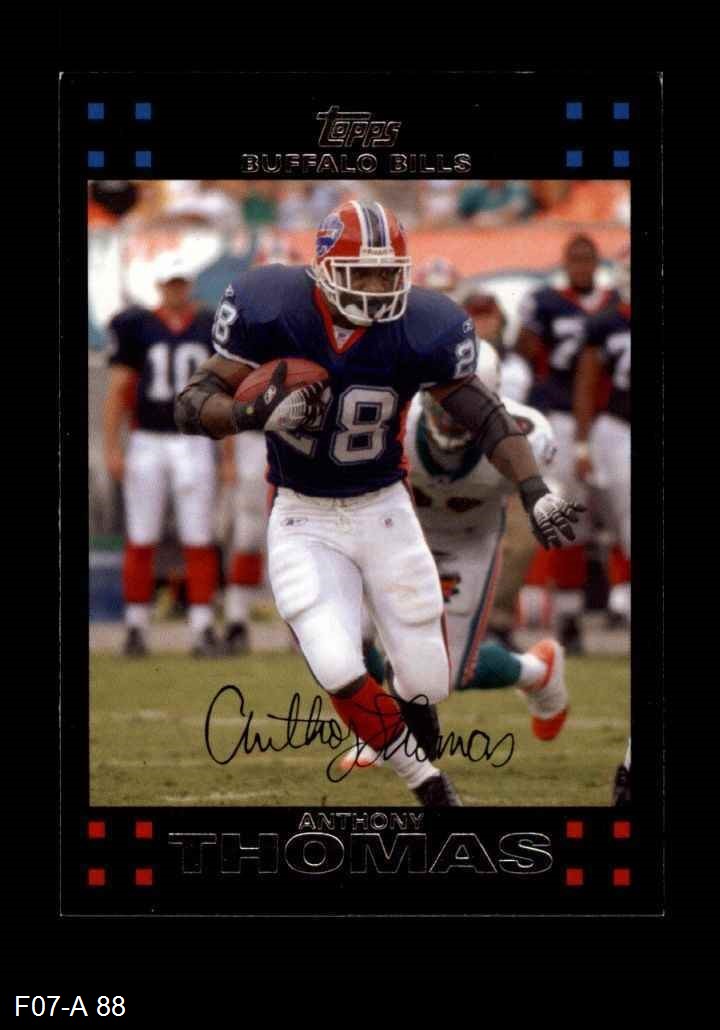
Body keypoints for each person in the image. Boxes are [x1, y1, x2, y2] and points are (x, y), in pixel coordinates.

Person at [175, 201, 585, 807]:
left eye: (386, 273)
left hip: (383, 508)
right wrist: (245, 414)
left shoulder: (424, 323)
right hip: (304, 513)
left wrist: (534, 490)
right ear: (324, 270)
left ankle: (417, 713)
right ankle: (429, 785)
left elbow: (485, 415)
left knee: (430, 682)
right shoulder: (273, 305)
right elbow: (191, 403)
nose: (375, 286)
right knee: (336, 662)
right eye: (361, 273)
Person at [340, 341, 568, 774]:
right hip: (397, 530)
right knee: (351, 627)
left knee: (443, 674)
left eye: (466, 406)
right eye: (445, 403)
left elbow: (538, 496)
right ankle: (377, 730)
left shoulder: (529, 436)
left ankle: (537, 671)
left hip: (469, 541)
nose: (452, 417)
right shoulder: (393, 419)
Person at [104, 252, 220, 657]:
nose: (176, 290)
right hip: (148, 440)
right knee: (141, 535)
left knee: (199, 535)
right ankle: (136, 627)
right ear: (160, 286)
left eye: (181, 283)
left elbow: (222, 394)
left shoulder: (208, 326)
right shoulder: (137, 326)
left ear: (189, 284)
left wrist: (228, 456)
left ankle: (202, 628)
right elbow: (118, 389)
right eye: (171, 283)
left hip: (194, 439)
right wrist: (112, 446)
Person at [516, 234, 619, 654]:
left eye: (587, 257)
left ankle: (618, 602)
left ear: (597, 262)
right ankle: (569, 614)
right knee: (568, 514)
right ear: (564, 262)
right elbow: (525, 347)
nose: (580, 264)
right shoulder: (545, 302)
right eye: (573, 257)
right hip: (560, 415)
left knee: (618, 517)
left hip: (609, 420)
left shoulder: (616, 305)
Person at [573, 248, 631, 804]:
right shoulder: (608, 321)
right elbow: (588, 379)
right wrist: (583, 439)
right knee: (627, 525)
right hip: (620, 428)